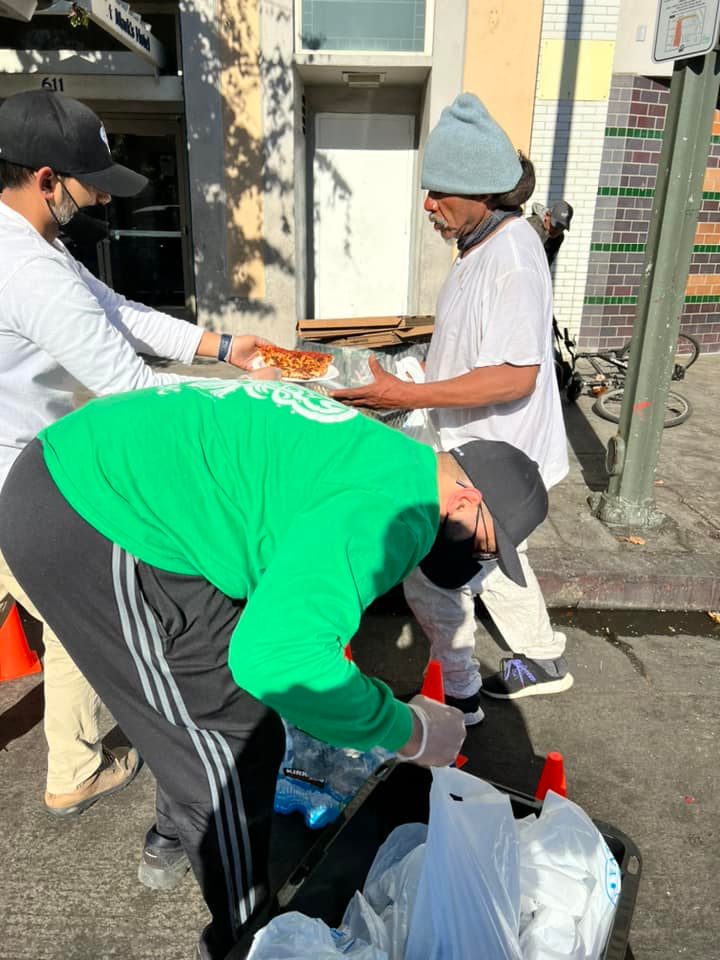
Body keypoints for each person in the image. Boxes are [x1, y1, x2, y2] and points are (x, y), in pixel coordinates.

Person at [0, 377, 548, 959]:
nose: (480, 562)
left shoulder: (396, 458)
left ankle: (171, 836)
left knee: (204, 694)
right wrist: (409, 731)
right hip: (93, 508)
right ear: (467, 500)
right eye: (489, 547)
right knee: (229, 741)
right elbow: (277, 657)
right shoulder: (400, 511)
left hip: (110, 473)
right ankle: (248, 938)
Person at [0, 89, 272, 818]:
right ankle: (76, 770)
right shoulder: (27, 272)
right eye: (91, 184)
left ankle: (73, 764)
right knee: (79, 615)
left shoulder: (33, 245)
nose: (101, 200)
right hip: (22, 480)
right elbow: (131, 395)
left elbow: (116, 313)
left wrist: (221, 346)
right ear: (47, 179)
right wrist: (251, 405)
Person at [332, 94, 571, 722]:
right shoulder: (481, 244)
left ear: (483, 192)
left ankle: (459, 693)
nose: (428, 206)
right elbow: (479, 342)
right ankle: (543, 656)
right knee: (492, 562)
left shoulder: (512, 255)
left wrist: (407, 395)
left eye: (440, 193)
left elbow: (516, 373)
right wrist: (419, 374)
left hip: (498, 457)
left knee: (433, 574)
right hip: (482, 447)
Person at [527, 199, 574, 268]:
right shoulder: (530, 227)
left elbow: (547, 264)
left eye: (562, 228)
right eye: (555, 226)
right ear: (547, 216)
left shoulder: (558, 238)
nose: (557, 231)